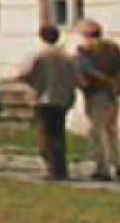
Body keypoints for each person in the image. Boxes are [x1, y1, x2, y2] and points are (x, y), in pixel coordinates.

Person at [13, 24, 79, 181]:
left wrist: (33, 84)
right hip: (63, 98)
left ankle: (52, 168)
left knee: (46, 136)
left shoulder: (38, 56)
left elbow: (23, 74)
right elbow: (76, 77)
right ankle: (61, 168)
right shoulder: (68, 57)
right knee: (59, 134)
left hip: (43, 99)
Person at [75, 20, 120, 183]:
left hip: (96, 92)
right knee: (112, 129)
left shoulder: (85, 50)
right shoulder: (113, 47)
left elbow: (85, 69)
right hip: (113, 93)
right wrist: (117, 84)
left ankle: (103, 166)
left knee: (97, 129)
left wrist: (99, 80)